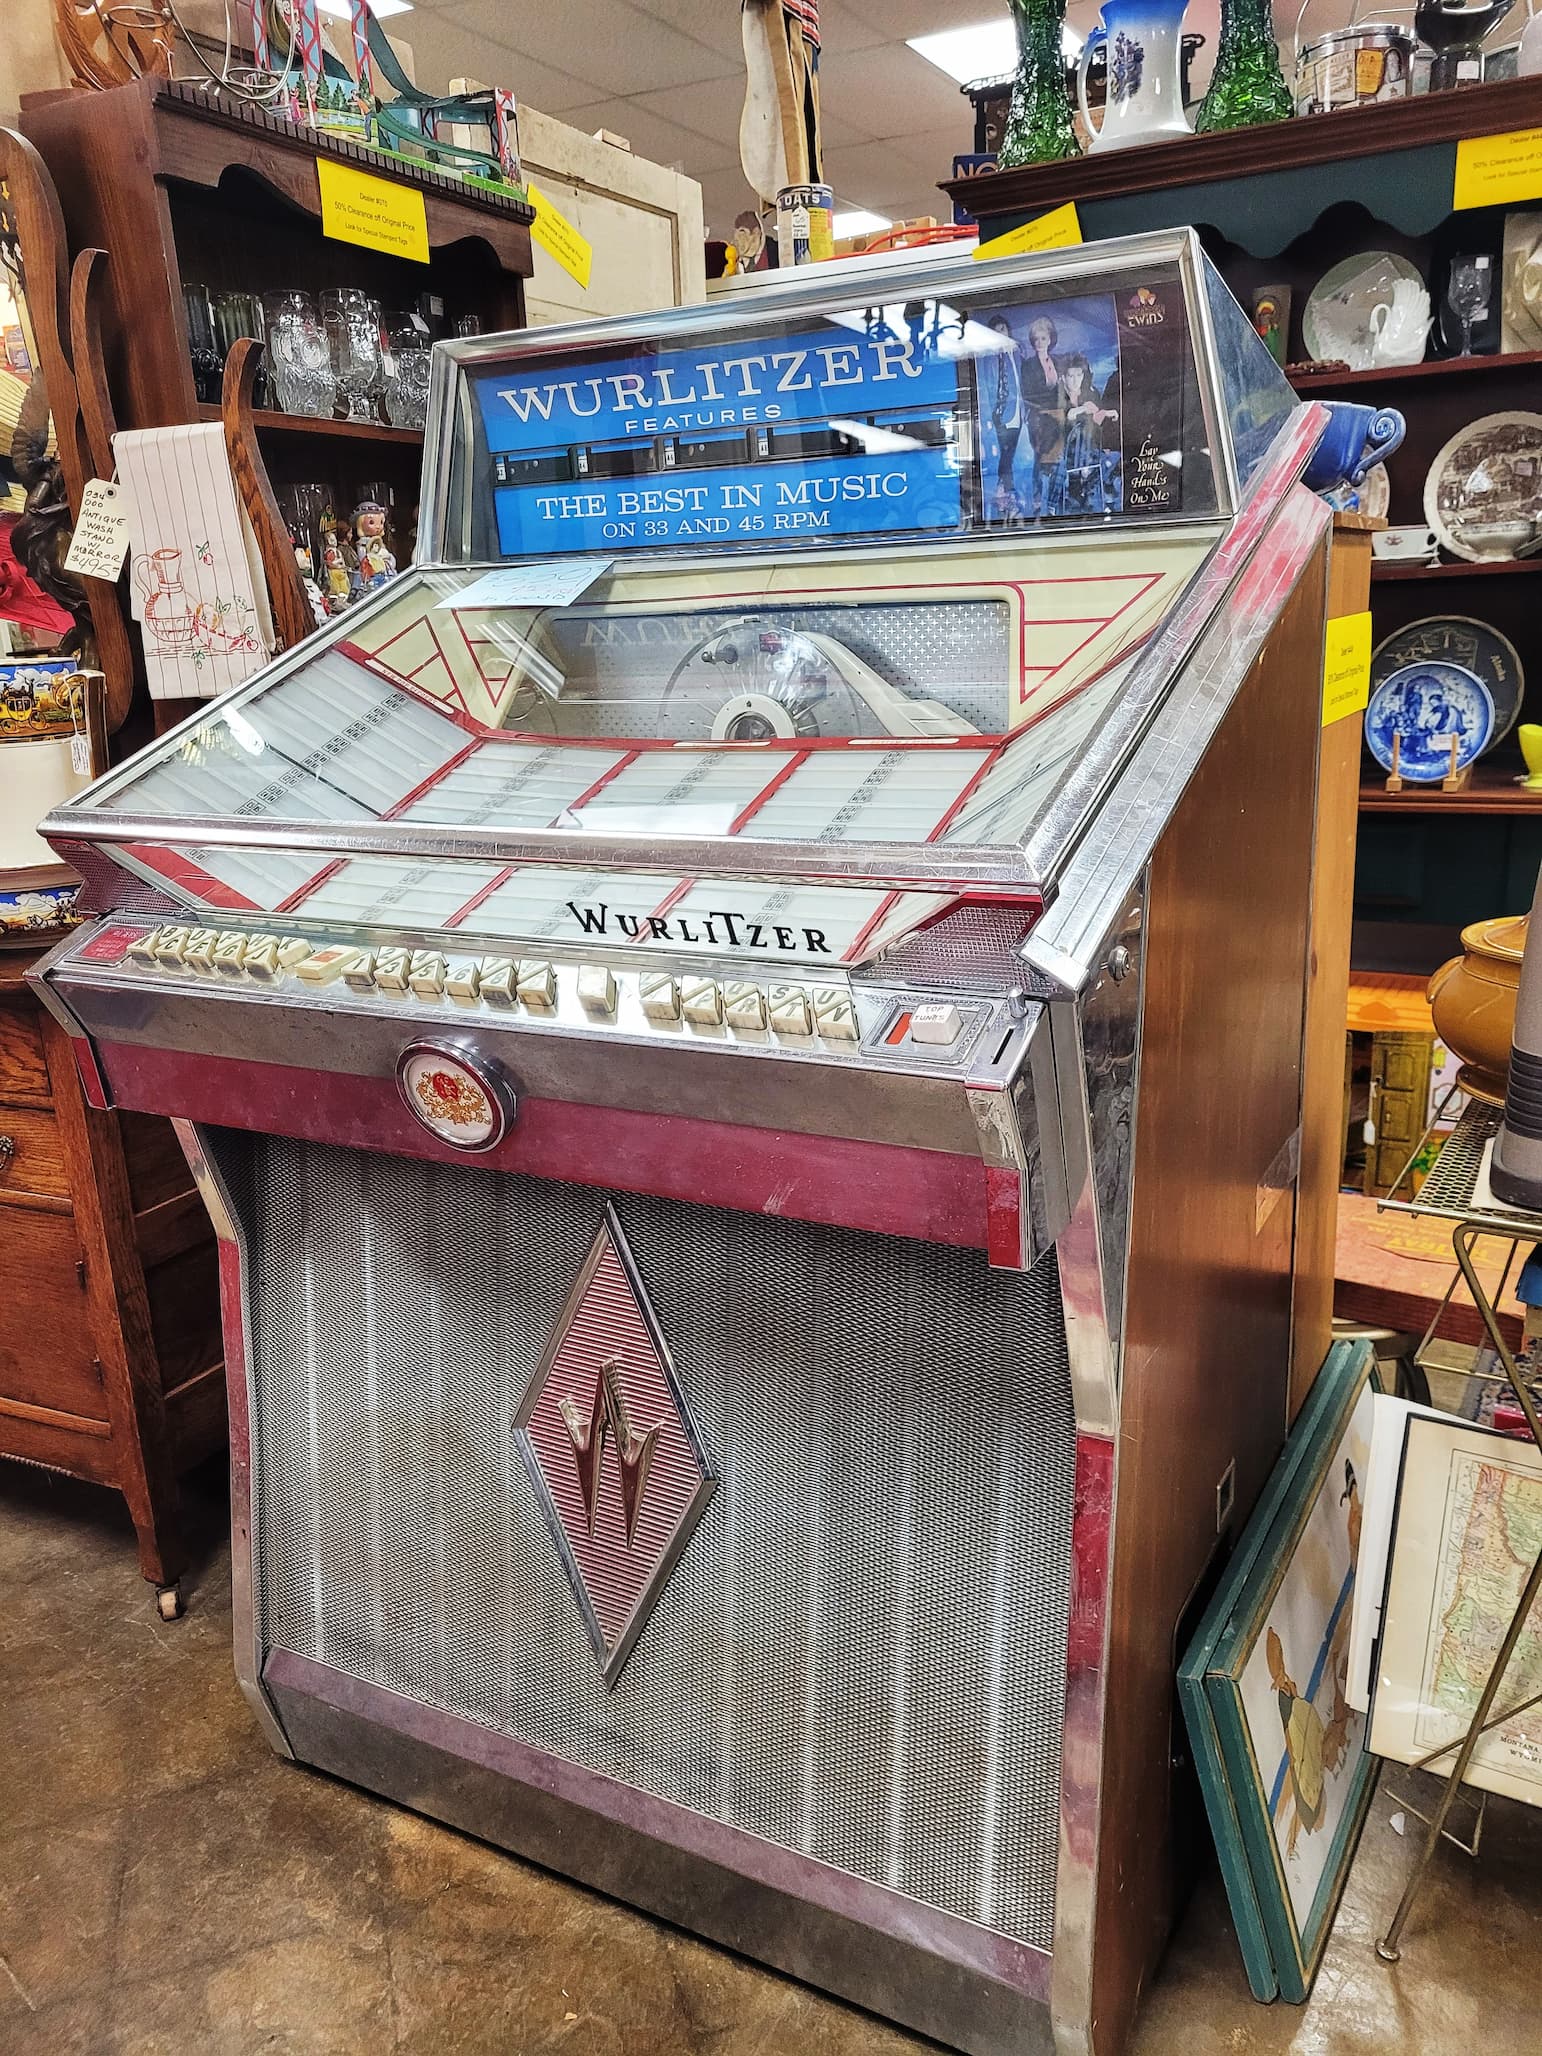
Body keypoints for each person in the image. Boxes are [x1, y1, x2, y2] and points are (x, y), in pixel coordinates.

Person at [1053, 354, 1119, 516]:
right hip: (1065, 452)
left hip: (1090, 451)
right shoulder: (1057, 395)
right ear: (1063, 377)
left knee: (1112, 456)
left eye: (1079, 375)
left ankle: (1094, 492)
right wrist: (1082, 409)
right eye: (1071, 376)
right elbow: (1066, 417)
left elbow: (1097, 419)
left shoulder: (1091, 393)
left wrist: (1107, 412)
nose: (1075, 380)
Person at [1020, 314, 1066, 519]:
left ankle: (1053, 503)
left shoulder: (1058, 361)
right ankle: (1038, 502)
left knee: (1058, 459)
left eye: (1043, 338)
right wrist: (1046, 411)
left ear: (1050, 339)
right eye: (1036, 339)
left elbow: (1063, 392)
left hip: (1058, 417)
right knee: (1040, 459)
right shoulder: (1028, 365)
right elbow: (1028, 394)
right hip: (1038, 419)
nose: (1039, 343)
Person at [983, 314, 1024, 515]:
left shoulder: (1015, 352)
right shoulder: (991, 357)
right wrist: (994, 414)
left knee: (1010, 454)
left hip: (1018, 410)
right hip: (1002, 412)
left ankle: (1002, 492)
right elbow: (991, 387)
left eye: (1003, 329)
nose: (1001, 334)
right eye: (996, 331)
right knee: (1007, 453)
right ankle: (1008, 495)